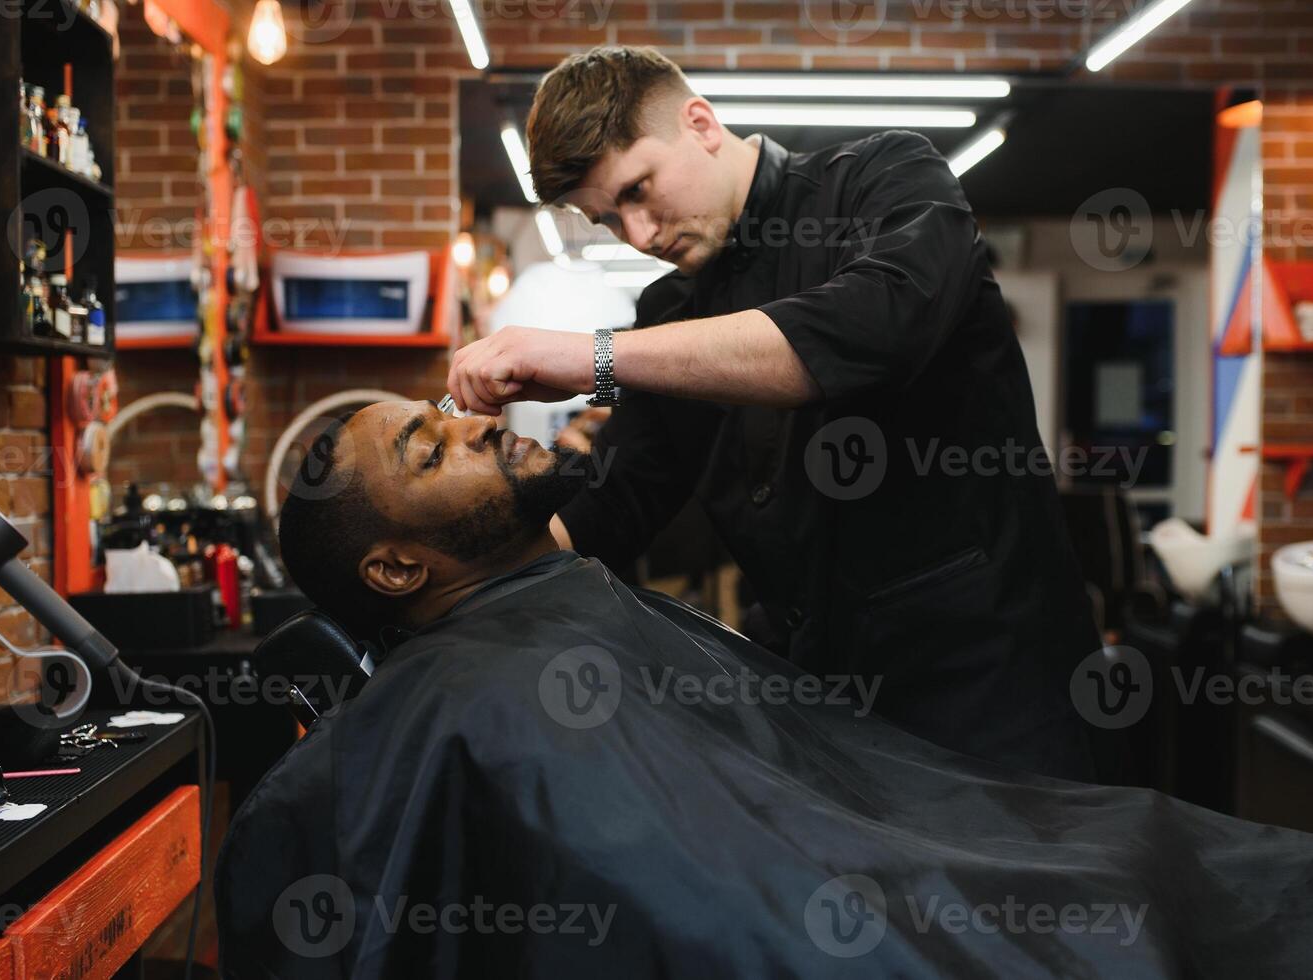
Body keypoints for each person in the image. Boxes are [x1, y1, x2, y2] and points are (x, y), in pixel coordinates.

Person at [215, 403, 1313, 979]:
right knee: (1163, 895)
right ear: (395, 567)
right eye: (433, 449)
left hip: (963, 845)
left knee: (1171, 855)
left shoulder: (549, 606)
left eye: (442, 409)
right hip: (926, 908)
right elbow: (724, 905)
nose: (474, 421)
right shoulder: (490, 699)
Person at [444, 47, 1102, 781]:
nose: (639, 235)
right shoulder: (668, 310)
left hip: (988, 680)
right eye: (607, 219)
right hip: (820, 693)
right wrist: (456, 586)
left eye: (639, 191)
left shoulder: (882, 180)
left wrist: (597, 358)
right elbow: (618, 500)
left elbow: (871, 329)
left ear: (699, 123)